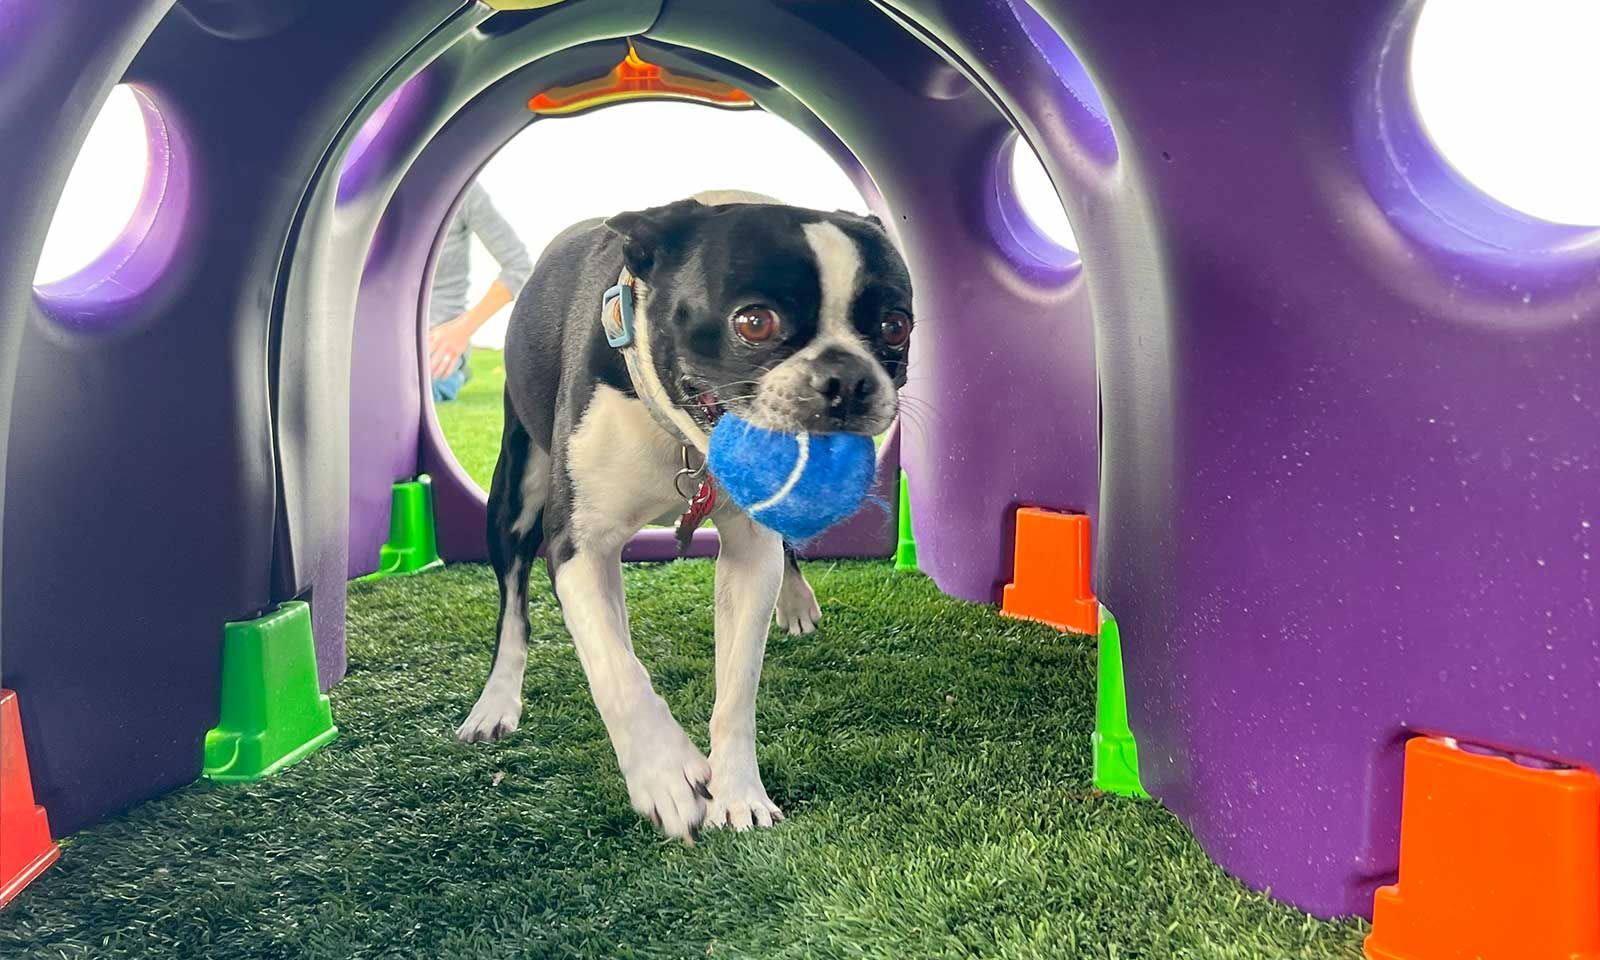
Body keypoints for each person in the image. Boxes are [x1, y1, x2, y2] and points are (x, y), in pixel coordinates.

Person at [426, 181, 533, 402]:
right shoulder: (372, 183)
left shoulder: (463, 191)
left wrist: (459, 332)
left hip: (435, 351)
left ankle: (456, 371)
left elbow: (519, 267)